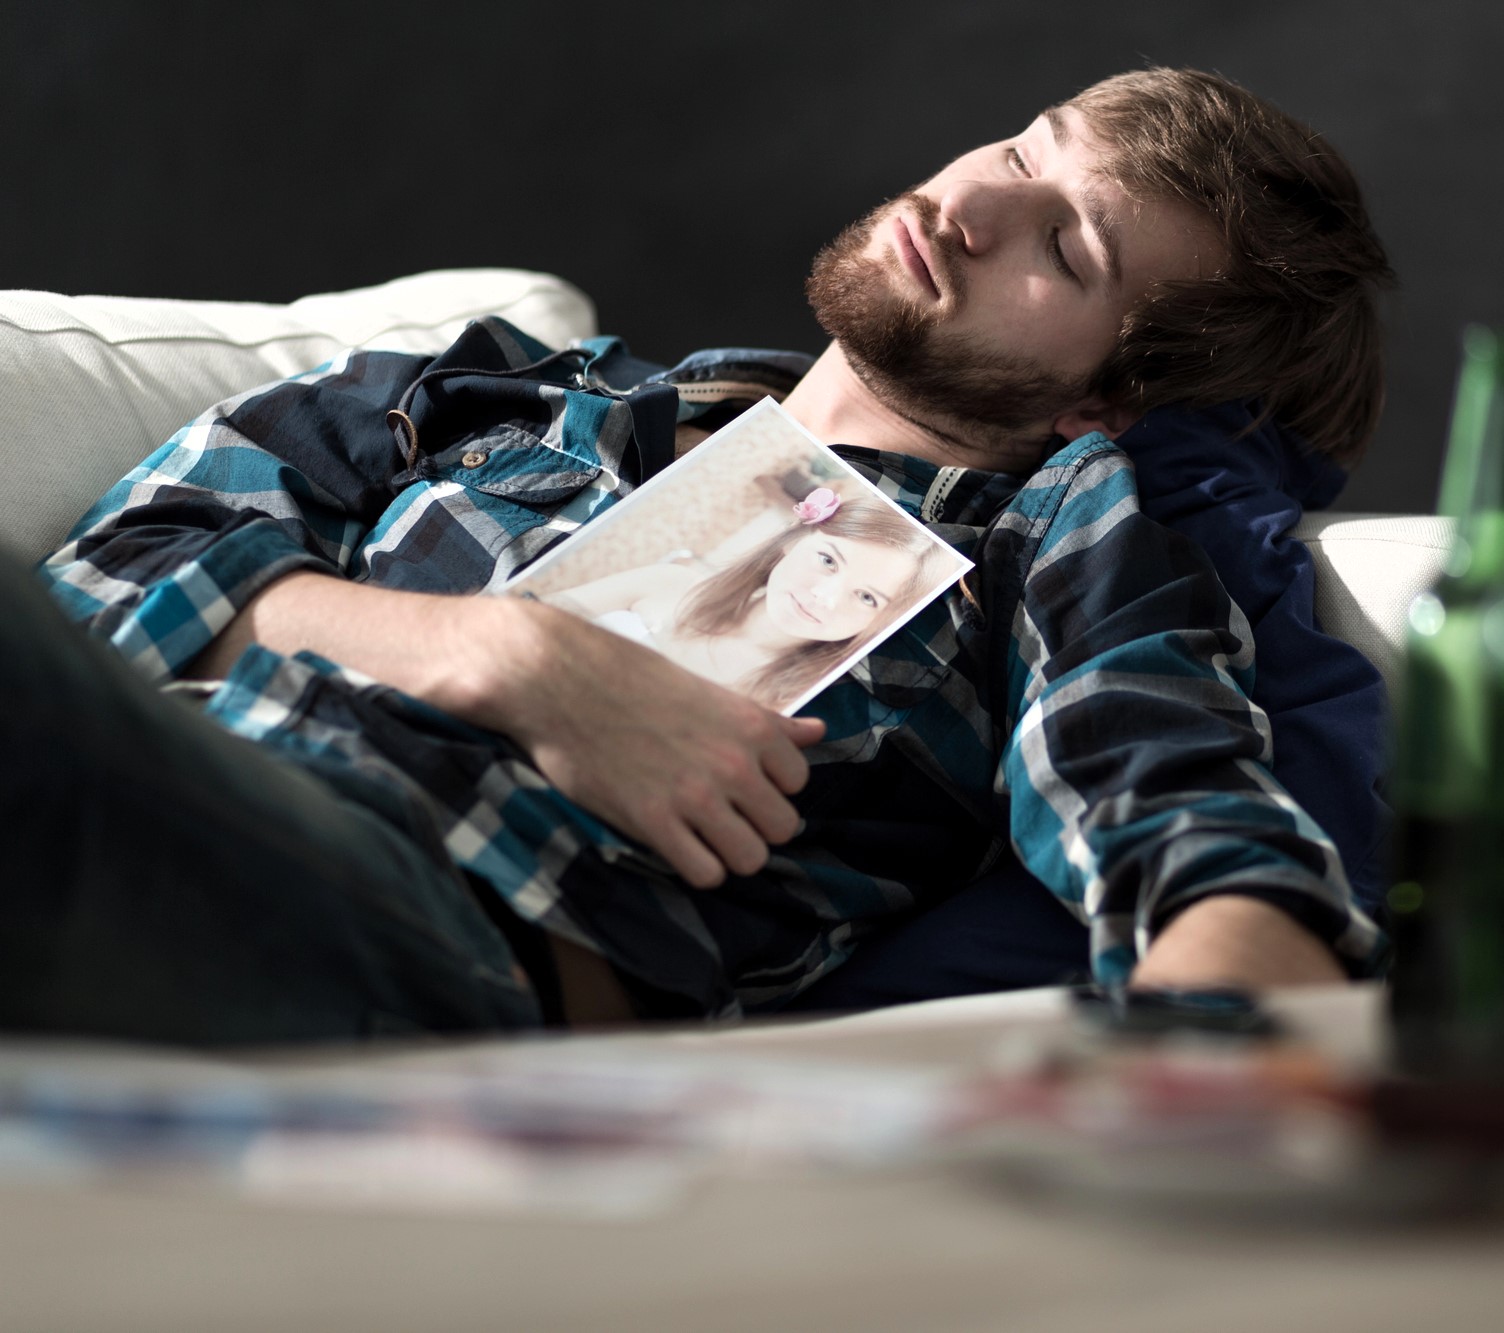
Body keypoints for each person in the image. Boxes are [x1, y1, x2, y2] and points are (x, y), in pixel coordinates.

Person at [14, 67, 1397, 1042]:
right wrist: (508, 655)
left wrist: (1222, 1076)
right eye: (1028, 150)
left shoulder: (1048, 542)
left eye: (1066, 247)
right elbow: (111, 566)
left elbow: (1192, 836)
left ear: (1106, 399)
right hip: (168, 762)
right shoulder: (503, 391)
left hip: (407, 925)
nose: (972, 205)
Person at [544, 485, 940, 712]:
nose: (824, 596)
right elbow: (524, 615)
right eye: (827, 560)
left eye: (867, 597)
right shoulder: (669, 581)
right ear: (796, 538)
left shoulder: (798, 701)